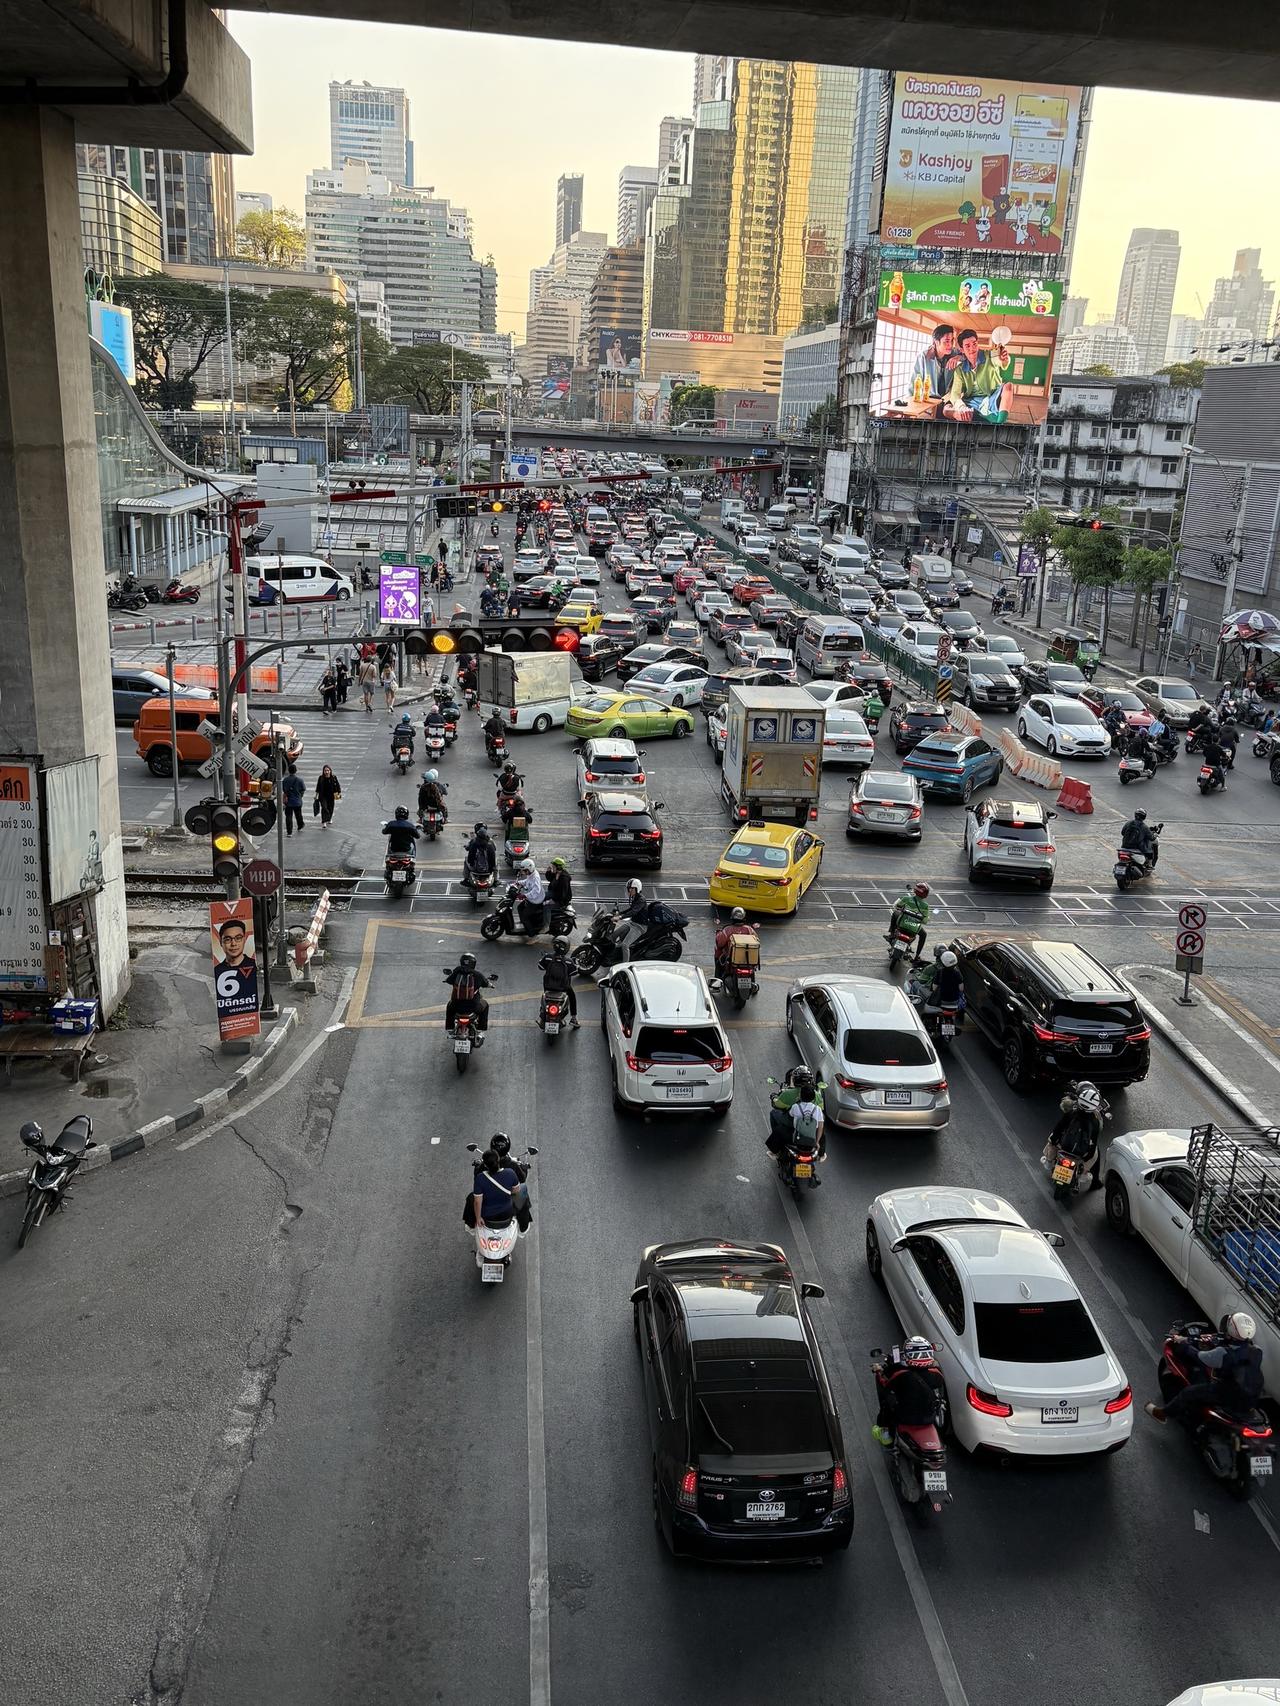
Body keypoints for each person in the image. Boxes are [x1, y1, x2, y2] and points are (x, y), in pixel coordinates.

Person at [1145, 1312, 1265, 1425]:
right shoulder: (1257, 1351)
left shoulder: (1223, 1353)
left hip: (1228, 1395)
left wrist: (1183, 1343)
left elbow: (1199, 1356)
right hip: (1250, 1398)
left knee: (1188, 1392)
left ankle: (1162, 1414)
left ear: (1231, 1329)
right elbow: (1239, 1355)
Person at [872, 1338, 947, 1447]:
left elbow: (886, 1384)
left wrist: (879, 1371)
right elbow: (938, 1381)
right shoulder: (936, 1375)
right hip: (930, 1417)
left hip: (904, 1417)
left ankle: (885, 1436)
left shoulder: (900, 1375)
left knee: (887, 1404)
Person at [944, 327, 1011, 424]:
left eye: (974, 344)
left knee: (1008, 386)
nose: (972, 348)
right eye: (967, 346)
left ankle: (1000, 423)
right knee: (946, 409)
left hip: (992, 396)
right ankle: (971, 416)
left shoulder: (990, 355)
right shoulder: (959, 370)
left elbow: (999, 359)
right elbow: (955, 394)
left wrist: (1004, 359)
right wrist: (962, 407)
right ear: (962, 350)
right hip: (972, 401)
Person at [1042, 1080, 1106, 1174]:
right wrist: (1086, 1157)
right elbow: (1093, 1143)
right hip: (1080, 1153)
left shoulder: (1071, 1113)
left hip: (1064, 1146)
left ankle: (1048, 1161)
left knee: (1052, 1139)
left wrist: (1053, 1141)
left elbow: (1058, 1129)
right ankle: (1083, 1173)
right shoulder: (1095, 1122)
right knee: (1095, 1154)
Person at [470, 1145, 523, 1233]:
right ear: (498, 1160)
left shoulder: (480, 1178)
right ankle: (523, 1226)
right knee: (524, 1190)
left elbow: (477, 1202)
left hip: (487, 1215)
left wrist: (478, 1218)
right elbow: (516, 1192)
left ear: (485, 1165)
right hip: (507, 1213)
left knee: (471, 1197)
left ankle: (470, 1226)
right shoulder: (511, 1173)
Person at [443, 951, 493, 1038]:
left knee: (449, 1006)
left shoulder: (456, 972)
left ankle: (450, 1029)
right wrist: (490, 985)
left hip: (456, 1006)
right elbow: (486, 983)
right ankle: (480, 1030)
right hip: (473, 1007)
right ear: (473, 963)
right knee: (485, 1005)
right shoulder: (477, 975)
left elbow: (449, 980)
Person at [538, 937, 579, 1028]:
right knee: (572, 996)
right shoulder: (569, 961)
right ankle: (573, 1018)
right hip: (564, 988)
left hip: (548, 987)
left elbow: (540, 966)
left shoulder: (548, 958)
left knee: (544, 998)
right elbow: (574, 972)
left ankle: (542, 1017)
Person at [887, 882, 931, 962]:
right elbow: (925, 921)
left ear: (915, 890)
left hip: (902, 923)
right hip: (914, 928)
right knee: (924, 935)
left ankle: (892, 934)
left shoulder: (906, 898)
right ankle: (917, 956)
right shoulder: (925, 906)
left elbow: (896, 906)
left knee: (895, 913)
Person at [713, 906, 757, 983]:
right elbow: (756, 942)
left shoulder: (727, 930)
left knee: (719, 962)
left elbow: (720, 944)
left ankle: (717, 982)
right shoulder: (749, 929)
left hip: (730, 959)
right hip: (747, 959)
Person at [514, 858, 546, 934]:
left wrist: (524, 896)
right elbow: (527, 881)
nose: (524, 872)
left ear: (530, 868)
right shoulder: (531, 874)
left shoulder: (535, 877)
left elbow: (536, 892)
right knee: (519, 907)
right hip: (530, 899)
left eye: (525, 871)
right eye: (524, 871)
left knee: (525, 916)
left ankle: (531, 933)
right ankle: (524, 924)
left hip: (535, 901)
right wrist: (519, 883)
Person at [462, 822, 497, 889]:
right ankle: (496, 880)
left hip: (475, 868)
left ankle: (466, 879)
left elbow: (469, 857)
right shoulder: (490, 842)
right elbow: (494, 849)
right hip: (488, 869)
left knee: (466, 860)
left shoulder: (473, 841)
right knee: (496, 861)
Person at [281, 763, 306, 836]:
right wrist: (300, 795)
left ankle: (289, 832)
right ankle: (300, 825)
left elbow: (284, 789)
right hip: (297, 800)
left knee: (288, 816)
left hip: (288, 801)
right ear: (296, 771)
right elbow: (303, 789)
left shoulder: (285, 780)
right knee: (298, 814)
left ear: (289, 771)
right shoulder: (300, 780)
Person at [314, 764, 341, 828]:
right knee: (324, 808)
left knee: (331, 808)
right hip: (323, 796)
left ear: (330, 771)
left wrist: (339, 793)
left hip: (331, 796)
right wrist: (316, 795)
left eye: (328, 770)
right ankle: (324, 822)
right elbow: (318, 787)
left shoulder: (333, 777)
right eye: (325, 770)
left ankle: (329, 818)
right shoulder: (321, 778)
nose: (326, 772)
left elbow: (337, 785)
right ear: (323, 771)